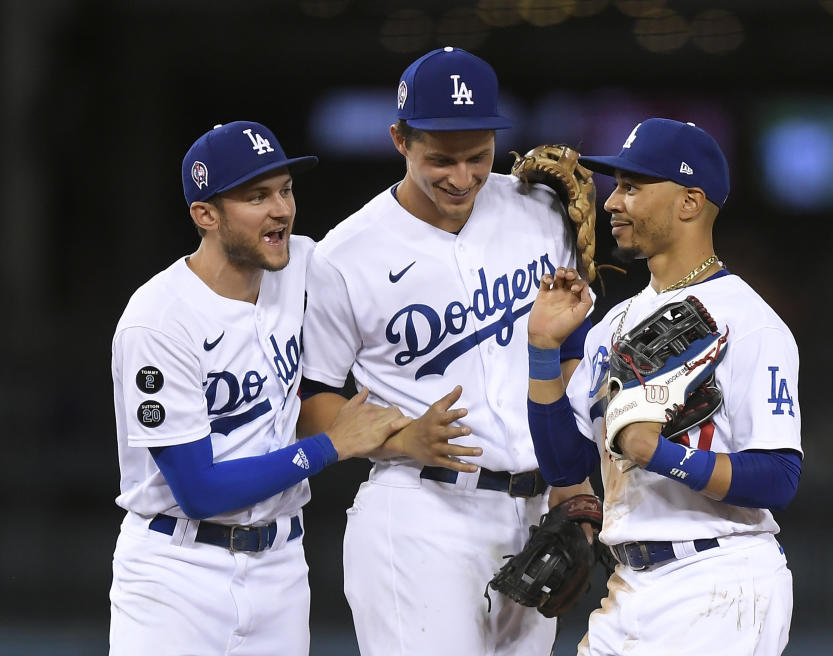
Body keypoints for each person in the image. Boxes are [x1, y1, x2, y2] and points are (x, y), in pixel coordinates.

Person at [298, 47, 594, 655]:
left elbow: (569, 354)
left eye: (478, 157)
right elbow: (312, 404)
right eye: (440, 159)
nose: (461, 177)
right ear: (399, 140)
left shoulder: (540, 210)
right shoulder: (345, 255)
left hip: (537, 511)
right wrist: (400, 437)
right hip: (421, 510)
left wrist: (573, 483)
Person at [108, 120, 408, 656]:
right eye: (257, 196)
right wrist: (329, 446)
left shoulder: (302, 267)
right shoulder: (158, 321)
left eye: (286, 190)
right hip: (176, 572)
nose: (282, 209)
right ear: (205, 214)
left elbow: (394, 251)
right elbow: (199, 491)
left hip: (281, 568)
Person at [525, 118, 803, 655]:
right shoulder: (614, 322)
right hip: (628, 585)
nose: (611, 202)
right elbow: (565, 466)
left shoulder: (750, 322)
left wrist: (661, 454)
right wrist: (542, 351)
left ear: (689, 202)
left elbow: (779, 477)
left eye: (632, 187)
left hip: (718, 579)